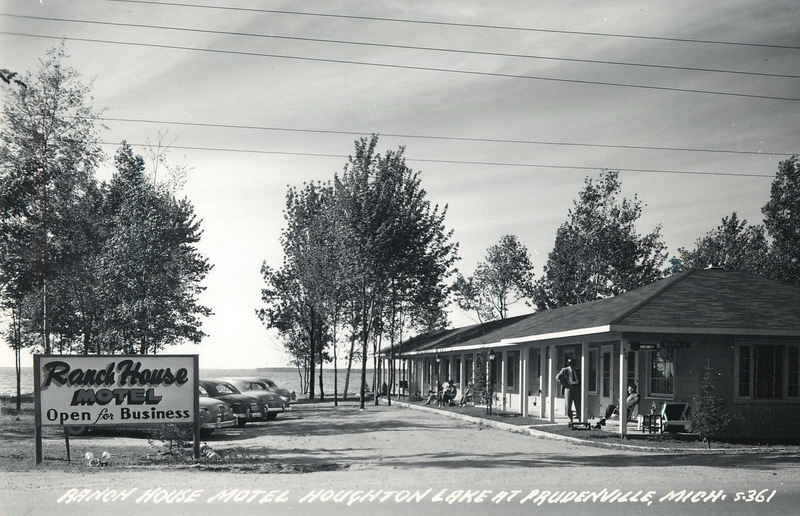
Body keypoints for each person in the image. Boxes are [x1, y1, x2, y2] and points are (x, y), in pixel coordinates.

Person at [556, 358, 581, 423]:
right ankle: (570, 419)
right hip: (569, 388)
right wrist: (565, 385)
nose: (572, 365)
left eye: (573, 364)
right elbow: (557, 378)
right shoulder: (564, 370)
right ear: (568, 364)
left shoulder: (577, 370)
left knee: (578, 405)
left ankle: (580, 419)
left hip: (576, 388)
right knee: (568, 406)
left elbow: (581, 379)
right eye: (570, 364)